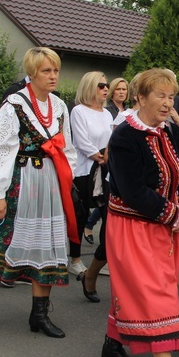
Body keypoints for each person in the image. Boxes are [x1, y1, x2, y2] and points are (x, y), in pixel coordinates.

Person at [0, 47, 77, 339]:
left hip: (49, 182)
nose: (53, 76)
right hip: (18, 181)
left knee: (48, 246)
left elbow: (67, 147)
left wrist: (67, 177)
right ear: (31, 73)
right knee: (4, 244)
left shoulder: (60, 106)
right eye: (46, 71)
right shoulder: (14, 105)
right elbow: (0, 150)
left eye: (55, 70)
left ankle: (39, 314)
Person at [105, 68, 179, 357]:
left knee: (143, 289)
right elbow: (131, 190)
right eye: (160, 95)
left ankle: (112, 343)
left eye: (171, 96)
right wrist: (172, 213)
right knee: (153, 292)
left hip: (163, 226)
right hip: (133, 227)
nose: (167, 102)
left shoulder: (168, 131)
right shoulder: (124, 137)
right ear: (140, 98)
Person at [70, 71, 113, 302]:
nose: (105, 89)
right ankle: (75, 259)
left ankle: (102, 259)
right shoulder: (79, 111)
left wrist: (107, 157)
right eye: (100, 85)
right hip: (84, 169)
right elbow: (80, 139)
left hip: (104, 168)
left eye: (106, 85)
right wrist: (98, 156)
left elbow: (112, 138)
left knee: (107, 214)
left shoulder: (107, 113)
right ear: (89, 87)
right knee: (79, 215)